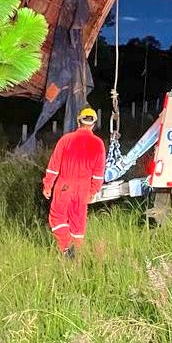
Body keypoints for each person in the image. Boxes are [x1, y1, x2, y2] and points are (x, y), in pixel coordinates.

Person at [42, 106, 107, 259]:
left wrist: (48, 185)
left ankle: (67, 248)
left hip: (64, 185)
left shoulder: (66, 139)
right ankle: (77, 257)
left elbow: (54, 166)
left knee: (57, 218)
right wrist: (92, 191)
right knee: (78, 224)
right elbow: (99, 174)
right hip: (83, 188)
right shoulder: (98, 144)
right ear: (93, 124)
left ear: (79, 121)